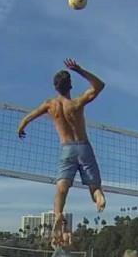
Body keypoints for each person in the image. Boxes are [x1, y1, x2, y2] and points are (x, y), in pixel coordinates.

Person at [17, 58, 107, 237]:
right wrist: (80, 70)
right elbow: (100, 85)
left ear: (55, 87)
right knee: (94, 187)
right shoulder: (76, 104)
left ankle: (58, 215)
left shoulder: (49, 105)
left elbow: (29, 117)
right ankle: (99, 198)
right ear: (70, 86)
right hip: (83, 147)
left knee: (61, 189)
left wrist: (22, 126)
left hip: (66, 148)